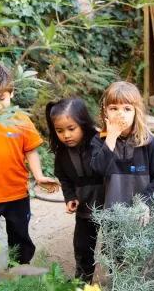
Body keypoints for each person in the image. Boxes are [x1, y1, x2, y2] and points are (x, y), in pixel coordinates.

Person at [0, 63, 59, 264]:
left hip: (17, 193)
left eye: (1, 99)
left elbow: (30, 151)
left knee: (20, 237)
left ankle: (20, 270)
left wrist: (39, 176)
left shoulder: (22, 121)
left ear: (11, 93)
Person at [45, 97, 105, 284]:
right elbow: (64, 178)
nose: (66, 135)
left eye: (71, 129)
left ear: (83, 124)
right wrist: (69, 196)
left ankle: (122, 281)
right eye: (60, 131)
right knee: (82, 247)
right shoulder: (62, 153)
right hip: (85, 209)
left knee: (116, 248)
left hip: (110, 205)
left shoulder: (100, 142)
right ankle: (83, 283)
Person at [90, 81, 154, 214]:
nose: (120, 114)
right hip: (112, 216)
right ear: (105, 112)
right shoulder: (99, 141)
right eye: (113, 108)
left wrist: (146, 202)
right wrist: (111, 138)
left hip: (142, 215)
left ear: (135, 112)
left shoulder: (148, 141)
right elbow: (99, 171)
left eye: (127, 109)